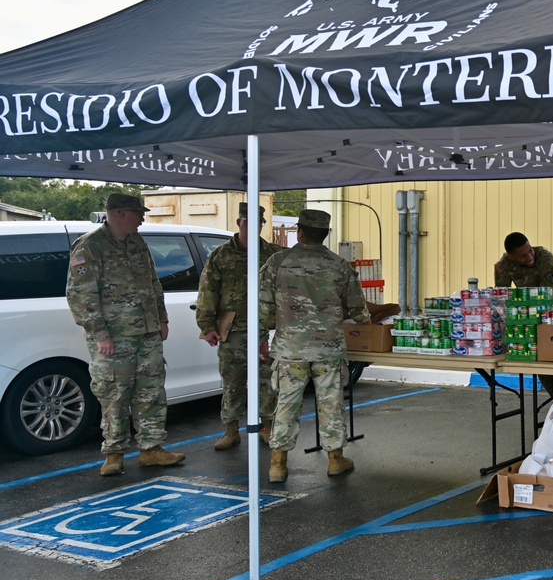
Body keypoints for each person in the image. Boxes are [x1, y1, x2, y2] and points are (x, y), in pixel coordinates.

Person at [66, 193, 185, 476]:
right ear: (121, 214)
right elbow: (80, 295)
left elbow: (153, 283)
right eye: (138, 213)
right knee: (115, 394)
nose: (142, 219)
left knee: (151, 392)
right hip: (114, 337)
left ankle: (151, 449)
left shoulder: (137, 243)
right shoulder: (90, 246)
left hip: (147, 333)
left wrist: (162, 319)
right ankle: (114, 453)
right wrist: (100, 334)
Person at [259, 209, 370, 483]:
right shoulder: (339, 265)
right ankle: (335, 460)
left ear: (300, 231)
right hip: (328, 349)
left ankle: (278, 464)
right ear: (326, 234)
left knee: (286, 404)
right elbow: (358, 309)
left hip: (290, 348)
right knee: (331, 404)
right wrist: (364, 320)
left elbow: (262, 305)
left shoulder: (277, 262)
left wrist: (261, 336)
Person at [196, 202, 283, 451]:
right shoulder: (221, 255)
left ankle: (267, 426)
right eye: (247, 222)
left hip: (266, 328)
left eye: (258, 223)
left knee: (267, 381)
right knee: (232, 382)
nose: (252, 227)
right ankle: (231, 429)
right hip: (233, 330)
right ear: (239, 223)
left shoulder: (273, 255)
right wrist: (207, 326)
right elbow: (208, 291)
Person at [494, 232, 553, 417]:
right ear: (511, 256)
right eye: (523, 255)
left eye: (530, 251)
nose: (529, 257)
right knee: (540, 359)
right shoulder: (504, 265)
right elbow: (502, 297)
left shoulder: (545, 257)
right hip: (530, 314)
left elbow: (546, 294)